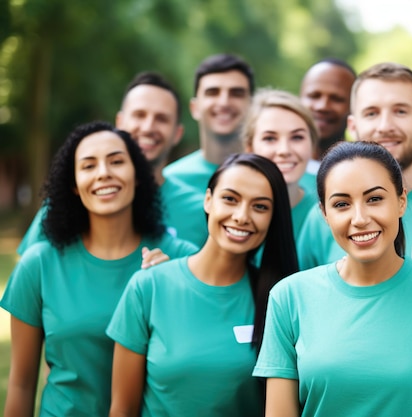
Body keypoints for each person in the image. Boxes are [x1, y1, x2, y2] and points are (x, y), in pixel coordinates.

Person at [253, 141, 412, 417]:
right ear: (324, 214)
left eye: (374, 199)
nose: (360, 218)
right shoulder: (288, 297)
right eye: (342, 204)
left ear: (401, 201)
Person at [0, 121, 197, 416]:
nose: (104, 172)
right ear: (74, 185)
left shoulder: (179, 258)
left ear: (138, 175)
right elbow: (21, 384)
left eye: (116, 161)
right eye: (88, 166)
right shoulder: (39, 263)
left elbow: (202, 366)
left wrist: (173, 291)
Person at [107, 153, 298, 416]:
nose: (242, 216)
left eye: (260, 207)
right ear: (208, 200)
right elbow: (122, 410)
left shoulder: (279, 300)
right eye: (230, 199)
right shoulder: (148, 287)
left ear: (273, 217)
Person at [17, 71, 208, 252]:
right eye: (139, 115)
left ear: (178, 133)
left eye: (162, 119)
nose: (148, 127)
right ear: (120, 122)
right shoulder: (70, 203)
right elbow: (30, 273)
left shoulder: (201, 213)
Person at [297, 62, 412, 269]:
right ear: (352, 126)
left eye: (400, 111)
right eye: (371, 113)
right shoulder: (323, 218)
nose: (385, 127)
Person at [164, 53, 254, 194]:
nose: (224, 102)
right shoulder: (169, 181)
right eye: (213, 92)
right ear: (194, 108)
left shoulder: (278, 179)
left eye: (236, 93)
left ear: (252, 106)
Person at [242, 88, 319, 240]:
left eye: (297, 137)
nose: (284, 150)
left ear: (312, 144)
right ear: (250, 148)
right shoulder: (234, 216)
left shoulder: (328, 211)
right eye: (270, 138)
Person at [299, 58, 356, 162]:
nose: (323, 106)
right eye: (314, 96)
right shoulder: (274, 167)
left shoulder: (363, 167)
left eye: (337, 99)